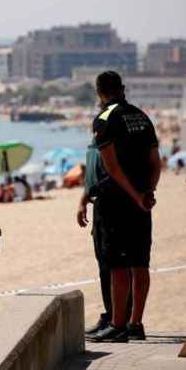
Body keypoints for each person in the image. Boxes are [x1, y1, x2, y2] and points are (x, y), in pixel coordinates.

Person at [87, 71, 162, 343]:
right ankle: (136, 323)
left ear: (100, 94)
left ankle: (118, 325)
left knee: (117, 265)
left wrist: (133, 194)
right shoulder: (142, 116)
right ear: (123, 88)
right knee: (140, 263)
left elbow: (112, 168)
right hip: (142, 201)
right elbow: (156, 162)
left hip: (117, 201)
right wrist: (147, 193)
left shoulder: (104, 119)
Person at [78, 142, 132, 336]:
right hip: (99, 204)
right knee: (103, 264)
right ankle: (111, 315)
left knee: (116, 264)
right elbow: (92, 176)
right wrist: (83, 201)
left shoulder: (114, 135)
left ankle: (120, 320)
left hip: (115, 203)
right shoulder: (96, 139)